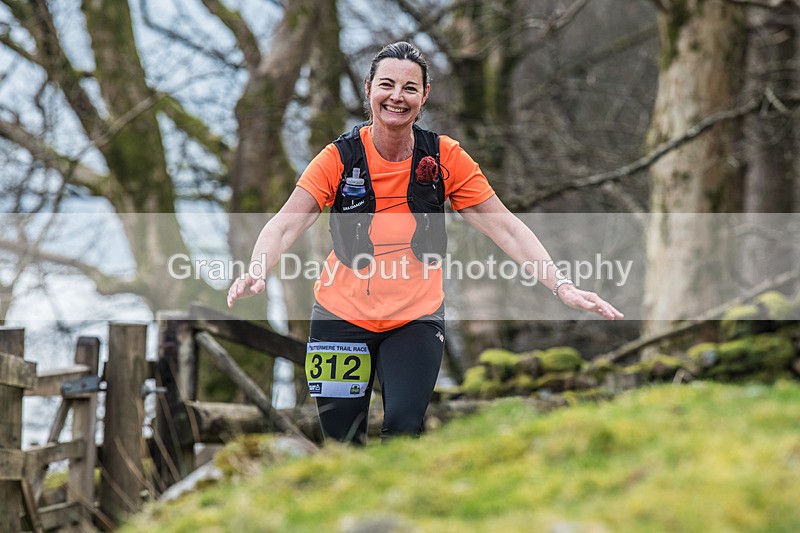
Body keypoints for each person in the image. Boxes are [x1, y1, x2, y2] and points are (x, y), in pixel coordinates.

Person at [227, 41, 623, 445]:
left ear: (424, 95)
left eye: (410, 88)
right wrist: (258, 269)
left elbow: (506, 227)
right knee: (342, 442)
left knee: (403, 429)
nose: (397, 96)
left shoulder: (445, 157)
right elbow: (283, 226)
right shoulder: (339, 158)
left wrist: (562, 285)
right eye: (386, 85)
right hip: (339, 316)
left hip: (414, 317)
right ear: (368, 89)